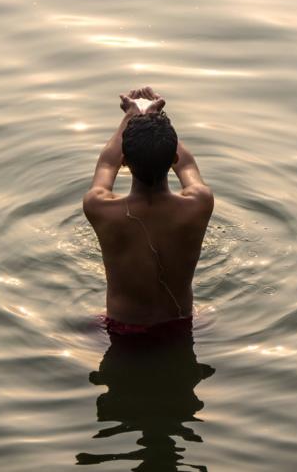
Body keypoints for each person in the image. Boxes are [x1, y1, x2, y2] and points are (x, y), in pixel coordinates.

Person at [83, 87, 214, 334]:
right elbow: (187, 162)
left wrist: (130, 116)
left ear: (125, 162)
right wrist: (158, 118)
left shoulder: (100, 207)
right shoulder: (200, 203)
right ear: (172, 157)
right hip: (181, 324)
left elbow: (106, 163)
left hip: (123, 330)